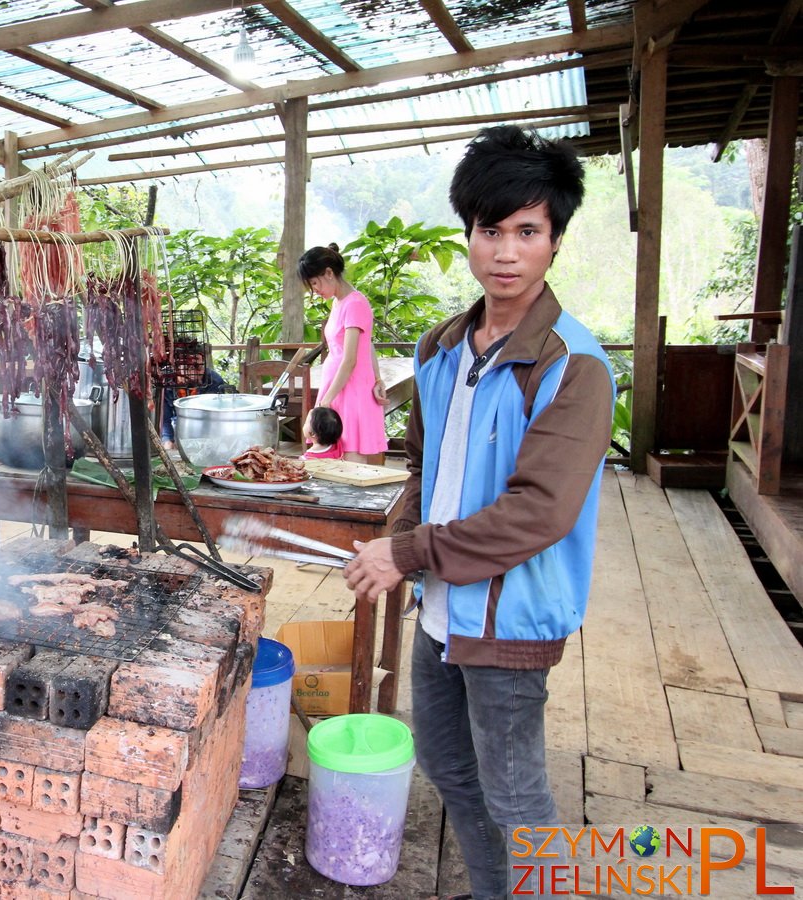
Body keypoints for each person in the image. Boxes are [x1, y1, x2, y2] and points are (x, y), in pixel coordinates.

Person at [341, 125, 615, 900]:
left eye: (527, 231)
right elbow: (425, 469)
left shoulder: (575, 367)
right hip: (442, 610)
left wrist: (408, 552)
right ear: (469, 233)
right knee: (448, 766)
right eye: (490, 230)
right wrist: (401, 545)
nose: (505, 251)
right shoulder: (442, 349)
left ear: (554, 241)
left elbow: (539, 512)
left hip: (512, 619)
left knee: (518, 796)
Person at [298, 245, 389, 463]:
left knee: (350, 457)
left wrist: (326, 400)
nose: (314, 290)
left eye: (314, 283)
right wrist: (377, 378)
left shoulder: (355, 303)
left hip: (351, 390)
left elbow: (350, 359)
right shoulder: (339, 303)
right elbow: (368, 344)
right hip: (338, 388)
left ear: (329, 273)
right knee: (332, 455)